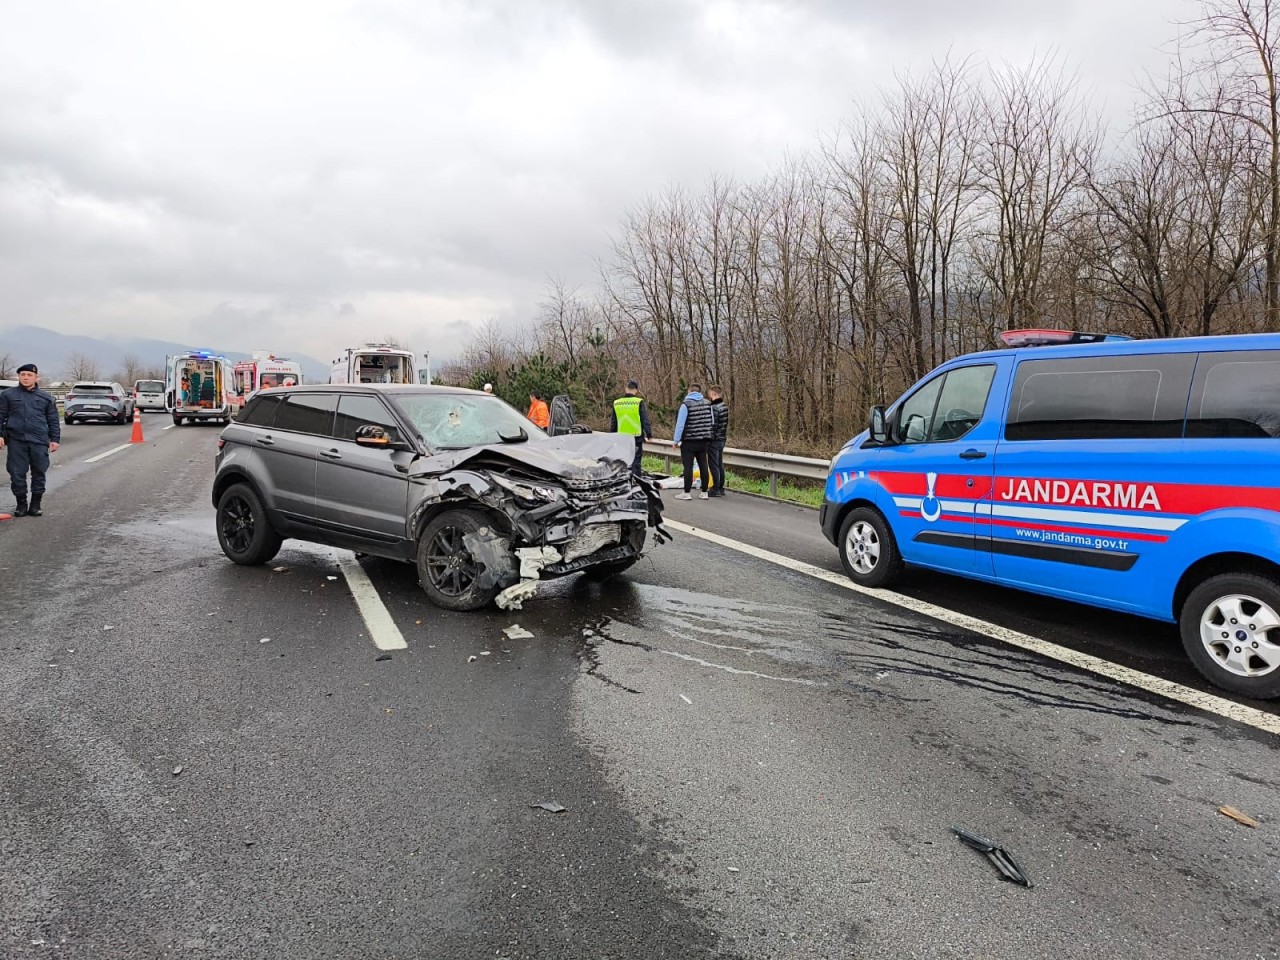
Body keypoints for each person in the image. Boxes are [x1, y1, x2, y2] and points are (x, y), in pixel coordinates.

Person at [0, 363, 61, 517]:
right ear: (18, 377)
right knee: (16, 473)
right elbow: (0, 416)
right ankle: (21, 504)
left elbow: (53, 420)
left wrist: (54, 439)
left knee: (39, 472)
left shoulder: (46, 398)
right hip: (16, 440)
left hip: (39, 441)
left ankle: (35, 504)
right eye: (23, 375)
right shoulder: (8, 395)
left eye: (29, 375)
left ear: (36, 377)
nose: (26, 378)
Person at [672, 382, 713, 500]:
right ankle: (704, 492)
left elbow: (680, 424)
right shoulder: (707, 403)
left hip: (689, 441)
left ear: (689, 391)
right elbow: (712, 421)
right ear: (700, 392)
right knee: (703, 465)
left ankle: (686, 492)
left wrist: (676, 440)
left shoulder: (686, 404)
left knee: (688, 466)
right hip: (704, 440)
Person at [610, 379, 653, 476]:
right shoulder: (638, 402)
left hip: (622, 437)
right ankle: (636, 481)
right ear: (636, 390)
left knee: (623, 460)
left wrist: (612, 436)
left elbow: (614, 422)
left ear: (625, 389)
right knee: (636, 461)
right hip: (636, 437)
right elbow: (644, 419)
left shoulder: (617, 403)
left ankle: (623, 480)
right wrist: (649, 434)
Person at [708, 384, 729, 497]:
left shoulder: (714, 408)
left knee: (713, 464)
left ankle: (715, 488)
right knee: (720, 464)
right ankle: (721, 487)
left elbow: (712, 425)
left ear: (713, 394)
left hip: (714, 439)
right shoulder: (724, 406)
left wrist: (708, 438)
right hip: (722, 438)